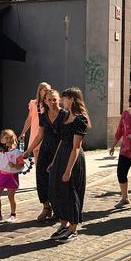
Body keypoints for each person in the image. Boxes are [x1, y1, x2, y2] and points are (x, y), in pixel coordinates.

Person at [48, 87, 89, 242]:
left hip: (73, 158)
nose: (61, 101)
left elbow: (76, 147)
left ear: (71, 99)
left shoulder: (80, 119)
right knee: (56, 190)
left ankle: (73, 228)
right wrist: (53, 162)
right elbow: (62, 141)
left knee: (71, 192)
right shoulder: (66, 116)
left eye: (64, 98)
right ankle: (63, 225)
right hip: (61, 156)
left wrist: (68, 170)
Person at [24, 89, 68, 221]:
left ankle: (58, 209)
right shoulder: (43, 116)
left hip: (60, 151)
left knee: (58, 180)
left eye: (54, 99)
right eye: (49, 99)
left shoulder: (65, 114)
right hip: (45, 150)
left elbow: (66, 136)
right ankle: (46, 207)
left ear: (59, 99)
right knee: (42, 178)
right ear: (45, 101)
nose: (52, 102)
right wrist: (29, 150)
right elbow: (39, 135)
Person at [0, 129, 22, 224]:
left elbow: (22, 164)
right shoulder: (1, 153)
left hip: (12, 177)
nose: (9, 140)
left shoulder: (17, 152)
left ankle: (13, 215)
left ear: (14, 138)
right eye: (6, 138)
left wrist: (15, 166)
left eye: (11, 137)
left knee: (11, 197)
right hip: (2, 177)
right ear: (2, 140)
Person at [19, 82, 51, 163]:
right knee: (36, 154)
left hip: (46, 132)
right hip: (35, 132)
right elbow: (29, 119)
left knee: (47, 157)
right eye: (45, 90)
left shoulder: (51, 103)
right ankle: (39, 175)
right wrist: (23, 132)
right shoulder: (33, 103)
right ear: (40, 91)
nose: (48, 92)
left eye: (49, 90)